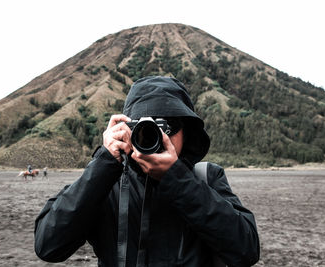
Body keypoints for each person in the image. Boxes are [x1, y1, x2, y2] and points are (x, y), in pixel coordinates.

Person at [34, 76, 260, 266]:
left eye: (167, 127)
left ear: (187, 133)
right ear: (126, 129)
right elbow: (48, 246)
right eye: (145, 128)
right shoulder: (105, 182)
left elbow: (246, 250)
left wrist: (177, 179)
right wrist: (104, 163)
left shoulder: (207, 177)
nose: (158, 137)